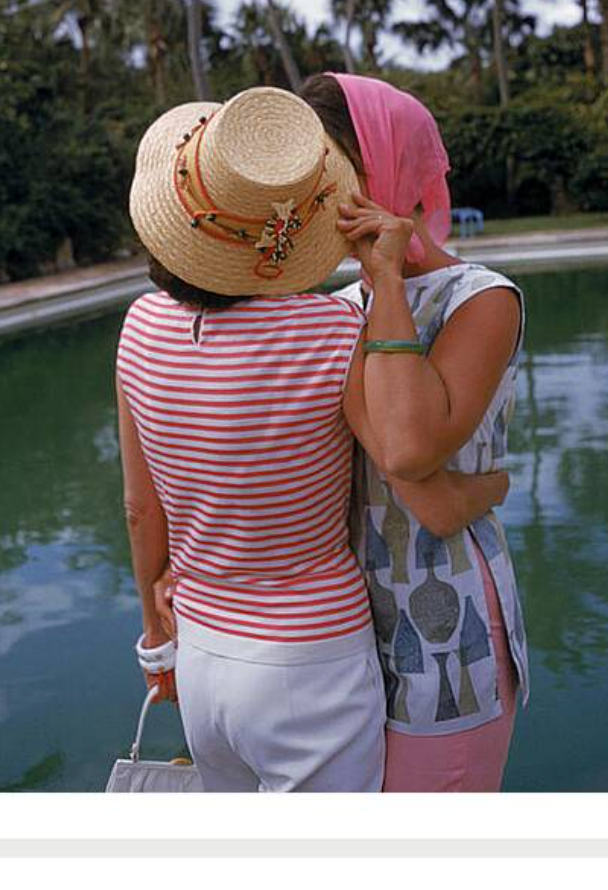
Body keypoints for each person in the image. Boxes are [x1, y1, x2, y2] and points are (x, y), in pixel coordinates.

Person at [117, 86, 508, 792]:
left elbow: (143, 509)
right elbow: (414, 470)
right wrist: (495, 485)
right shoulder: (332, 329)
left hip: (204, 652)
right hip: (310, 657)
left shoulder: (139, 327)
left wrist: (157, 641)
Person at [300, 72, 529, 794]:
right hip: (339, 640)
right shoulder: (336, 305)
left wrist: (391, 285)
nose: (313, 198)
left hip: (445, 627)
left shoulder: (482, 299)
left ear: (382, 169)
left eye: (329, 172)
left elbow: (406, 449)